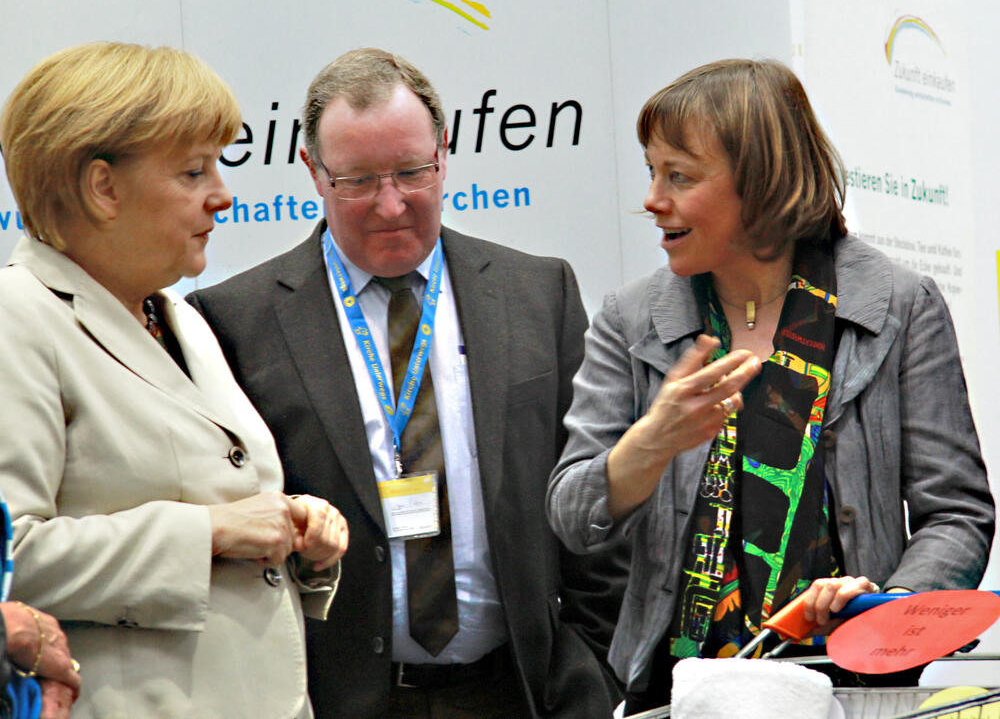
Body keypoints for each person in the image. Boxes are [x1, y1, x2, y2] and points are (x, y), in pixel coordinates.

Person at [186, 47, 627, 719]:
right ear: (313, 172)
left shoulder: (539, 292)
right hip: (336, 700)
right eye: (358, 180)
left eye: (410, 172)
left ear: (444, 153)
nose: (391, 205)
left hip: (520, 692)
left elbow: (593, 500)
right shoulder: (233, 323)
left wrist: (590, 673)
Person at [546, 58, 995, 714]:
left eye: (679, 175)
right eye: (651, 171)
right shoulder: (631, 318)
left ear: (758, 184)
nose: (652, 198)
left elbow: (956, 515)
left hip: (855, 691)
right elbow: (571, 518)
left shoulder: (897, 303)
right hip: (678, 697)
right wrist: (648, 445)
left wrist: (882, 612)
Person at [0, 42, 348, 719]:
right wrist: (210, 530)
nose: (221, 195)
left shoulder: (177, 315)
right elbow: (12, 554)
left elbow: (225, 511)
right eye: (193, 171)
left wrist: (298, 540)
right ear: (102, 187)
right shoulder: (18, 317)